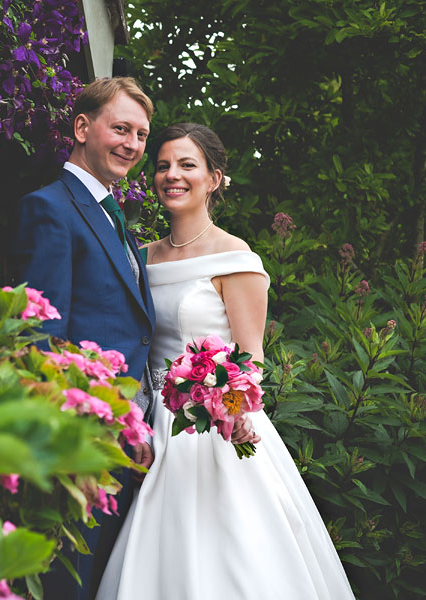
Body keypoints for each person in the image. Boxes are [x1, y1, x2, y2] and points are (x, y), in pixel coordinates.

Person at [95, 123, 356, 599]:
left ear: (214, 179)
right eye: (163, 166)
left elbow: (250, 356)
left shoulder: (236, 258)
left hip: (215, 427)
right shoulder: (140, 257)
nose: (172, 175)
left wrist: (233, 410)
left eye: (187, 165)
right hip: (149, 428)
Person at [11, 77, 157, 600]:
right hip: (80, 443)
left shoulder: (115, 220)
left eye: (141, 135)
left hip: (122, 438)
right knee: (65, 583)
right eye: (121, 129)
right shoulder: (50, 208)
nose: (133, 145)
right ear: (82, 127)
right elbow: (41, 337)